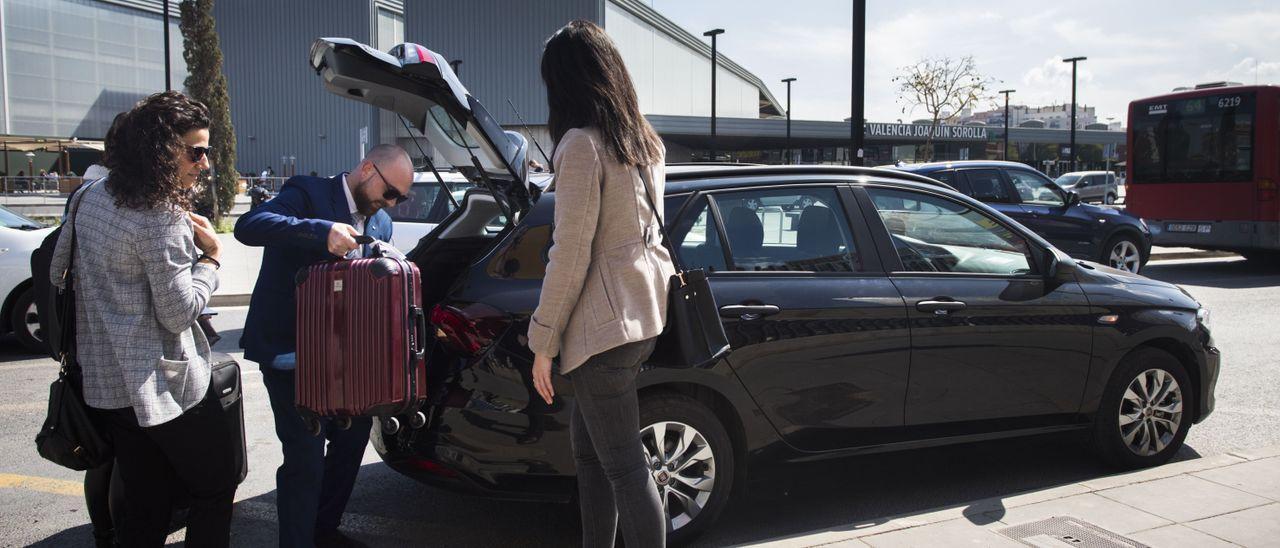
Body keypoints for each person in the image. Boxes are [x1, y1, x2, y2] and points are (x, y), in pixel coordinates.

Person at [49, 90, 238, 547]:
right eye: (196, 150)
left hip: (108, 386)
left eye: (206, 150)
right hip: (168, 390)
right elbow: (178, 313)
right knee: (215, 488)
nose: (205, 163)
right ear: (159, 149)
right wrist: (210, 260)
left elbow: (58, 271)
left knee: (143, 504)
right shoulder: (162, 216)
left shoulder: (88, 195)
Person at [529, 20, 675, 548]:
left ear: (564, 81)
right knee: (591, 454)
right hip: (641, 317)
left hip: (603, 330)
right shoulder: (643, 141)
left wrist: (543, 344)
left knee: (623, 467)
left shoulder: (581, 147)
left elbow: (569, 255)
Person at [235, 144, 412, 548]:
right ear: (368, 168)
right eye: (390, 193)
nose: (393, 203)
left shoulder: (380, 222)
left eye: (401, 198)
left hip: (347, 359)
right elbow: (250, 225)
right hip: (291, 352)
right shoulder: (308, 193)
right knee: (305, 457)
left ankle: (323, 528)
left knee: (352, 443)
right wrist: (320, 230)